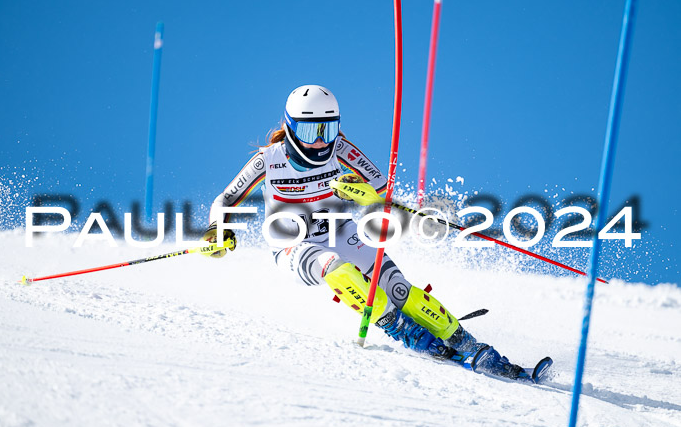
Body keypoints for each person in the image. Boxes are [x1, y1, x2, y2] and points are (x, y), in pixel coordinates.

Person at [204, 84, 549, 382]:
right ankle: (401, 329)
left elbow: (382, 190)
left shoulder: (340, 149)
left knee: (399, 289)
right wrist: (217, 230)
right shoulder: (269, 160)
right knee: (335, 268)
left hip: (341, 232)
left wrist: (362, 192)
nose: (321, 142)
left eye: (328, 129)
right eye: (311, 133)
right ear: (291, 129)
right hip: (294, 245)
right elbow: (226, 198)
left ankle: (471, 346)